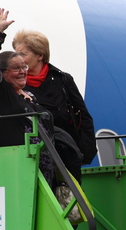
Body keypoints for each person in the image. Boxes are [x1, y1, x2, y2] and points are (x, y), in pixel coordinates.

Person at [13, 28, 96, 182]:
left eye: (23, 54)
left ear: (40, 55)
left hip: (68, 152)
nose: (18, 59)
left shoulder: (63, 80)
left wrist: (85, 153)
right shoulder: (15, 85)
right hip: (37, 155)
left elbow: (83, 115)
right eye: (16, 54)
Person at [0, 9, 54, 155]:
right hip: (12, 166)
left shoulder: (29, 96)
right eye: (16, 68)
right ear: (1, 73)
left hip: (42, 168)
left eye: (24, 66)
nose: (23, 71)